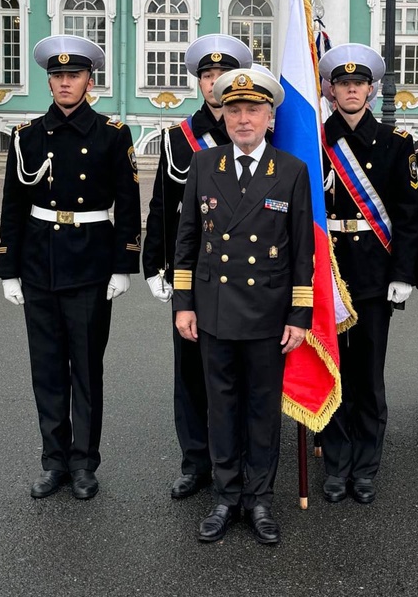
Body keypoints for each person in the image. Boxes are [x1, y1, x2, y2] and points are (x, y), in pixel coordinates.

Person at [172, 68, 314, 544]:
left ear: (270, 118)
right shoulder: (204, 165)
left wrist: (299, 314)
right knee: (221, 406)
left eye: (253, 110)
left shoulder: (291, 171)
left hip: (268, 312)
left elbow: (301, 252)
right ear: (225, 116)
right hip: (213, 310)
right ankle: (225, 496)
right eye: (234, 110)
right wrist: (183, 304)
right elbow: (187, 238)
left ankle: (259, 500)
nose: (243, 119)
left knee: (261, 409)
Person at [0, 36, 141, 500]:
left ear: (89, 81)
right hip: (40, 263)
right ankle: (53, 461)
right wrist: (9, 270)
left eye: (73, 75)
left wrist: (124, 265)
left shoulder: (112, 135)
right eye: (57, 76)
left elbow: (128, 205)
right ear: (50, 81)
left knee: (85, 369)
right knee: (47, 370)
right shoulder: (27, 137)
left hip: (90, 264)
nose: (64, 82)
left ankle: (84, 464)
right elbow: (13, 205)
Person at [143, 34, 253, 501]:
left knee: (243, 372)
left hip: (247, 277)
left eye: (221, 76)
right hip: (194, 274)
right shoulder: (176, 141)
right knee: (190, 371)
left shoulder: (253, 131)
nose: (213, 84)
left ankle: (241, 459)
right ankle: (195, 461)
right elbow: (162, 208)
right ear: (198, 83)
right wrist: (154, 263)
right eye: (207, 76)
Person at [317, 43, 418, 505]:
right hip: (328, 272)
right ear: (332, 91)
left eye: (359, 83)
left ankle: (366, 466)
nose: (352, 90)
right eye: (343, 84)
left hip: (375, 275)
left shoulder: (397, 145)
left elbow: (409, 215)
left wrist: (404, 274)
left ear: (372, 90)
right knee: (334, 371)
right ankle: (337, 463)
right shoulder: (313, 139)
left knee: (369, 376)